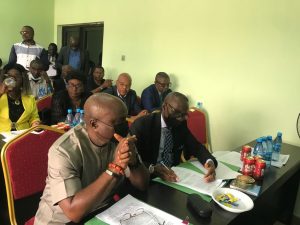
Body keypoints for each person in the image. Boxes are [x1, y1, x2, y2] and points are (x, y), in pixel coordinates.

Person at [34, 93, 149, 224]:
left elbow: (142, 185)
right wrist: (115, 168)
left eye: (124, 120)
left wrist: (133, 160)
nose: (124, 126)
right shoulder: (64, 151)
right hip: (62, 221)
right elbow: (73, 212)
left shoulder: (117, 138)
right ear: (94, 124)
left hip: (103, 213)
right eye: (117, 122)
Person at [130, 92, 217, 182]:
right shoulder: (142, 125)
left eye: (186, 114)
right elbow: (133, 160)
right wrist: (153, 169)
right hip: (149, 178)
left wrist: (209, 162)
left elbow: (195, 146)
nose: (184, 118)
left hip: (176, 175)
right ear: (164, 107)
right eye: (179, 113)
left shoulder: (180, 123)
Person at [0, 63, 40, 132]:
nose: (12, 79)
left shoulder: (30, 99)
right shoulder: (1, 96)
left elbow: (34, 117)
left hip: (22, 136)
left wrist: (35, 123)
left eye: (16, 76)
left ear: (23, 79)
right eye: (9, 76)